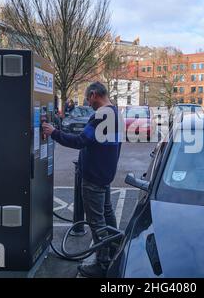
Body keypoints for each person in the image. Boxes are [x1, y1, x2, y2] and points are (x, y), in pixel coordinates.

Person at [42, 82, 122, 278]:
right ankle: (114, 251)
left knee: (96, 221)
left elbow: (80, 141)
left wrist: (54, 133)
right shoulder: (116, 113)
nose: (88, 102)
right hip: (105, 174)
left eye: (88, 99)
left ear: (94, 94)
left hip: (94, 177)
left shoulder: (101, 115)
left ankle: (102, 264)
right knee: (107, 213)